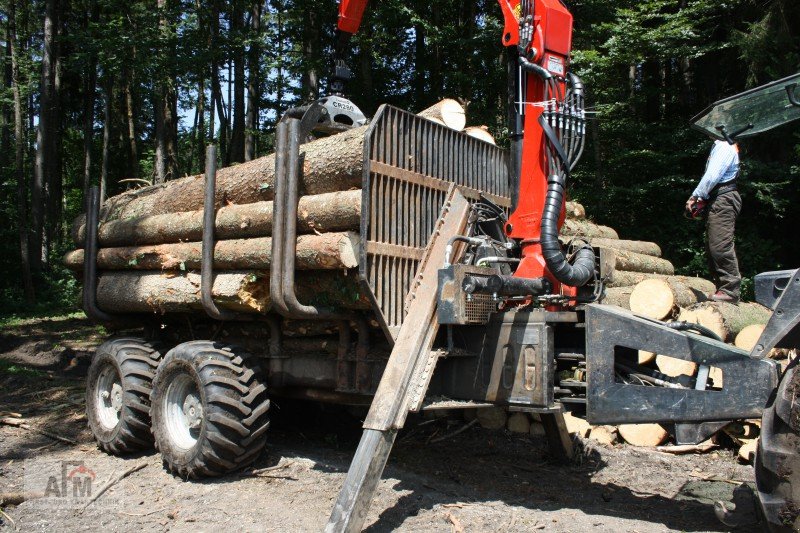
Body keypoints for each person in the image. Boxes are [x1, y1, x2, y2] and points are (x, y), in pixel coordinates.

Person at [686, 138, 742, 302]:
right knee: (712, 246)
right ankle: (722, 289)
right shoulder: (719, 145)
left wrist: (696, 196)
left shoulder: (724, 145)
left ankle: (730, 290)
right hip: (718, 197)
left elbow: (712, 175)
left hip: (723, 197)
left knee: (719, 245)